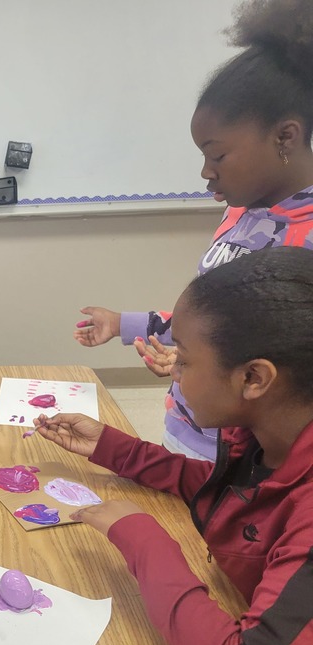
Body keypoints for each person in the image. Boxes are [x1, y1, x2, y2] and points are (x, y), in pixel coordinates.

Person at [37, 247, 313, 645]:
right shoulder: (272, 434)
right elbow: (227, 492)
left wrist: (143, 540)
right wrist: (114, 449)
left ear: (254, 377)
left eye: (183, 360)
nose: (175, 375)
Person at [72, 0, 313, 462]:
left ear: (285, 137)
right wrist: (127, 325)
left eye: (217, 156)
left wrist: (195, 364)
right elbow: (212, 319)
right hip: (189, 431)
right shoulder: (240, 213)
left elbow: (287, 377)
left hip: (247, 461)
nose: (206, 172)